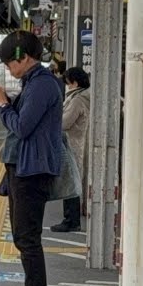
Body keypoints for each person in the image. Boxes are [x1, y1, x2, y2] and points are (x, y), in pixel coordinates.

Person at [0, 30, 66, 286]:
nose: (9, 69)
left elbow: (22, 127)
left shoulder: (42, 86)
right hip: (24, 169)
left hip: (31, 172)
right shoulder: (35, 83)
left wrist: (3, 104)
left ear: (24, 58)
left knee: (27, 239)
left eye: (10, 63)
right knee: (24, 237)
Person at [52, 66, 90, 232]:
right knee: (72, 180)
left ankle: (71, 220)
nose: (67, 86)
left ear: (75, 82)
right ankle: (71, 218)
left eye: (68, 83)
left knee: (70, 182)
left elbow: (65, 123)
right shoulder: (80, 97)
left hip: (72, 144)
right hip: (74, 142)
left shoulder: (77, 100)